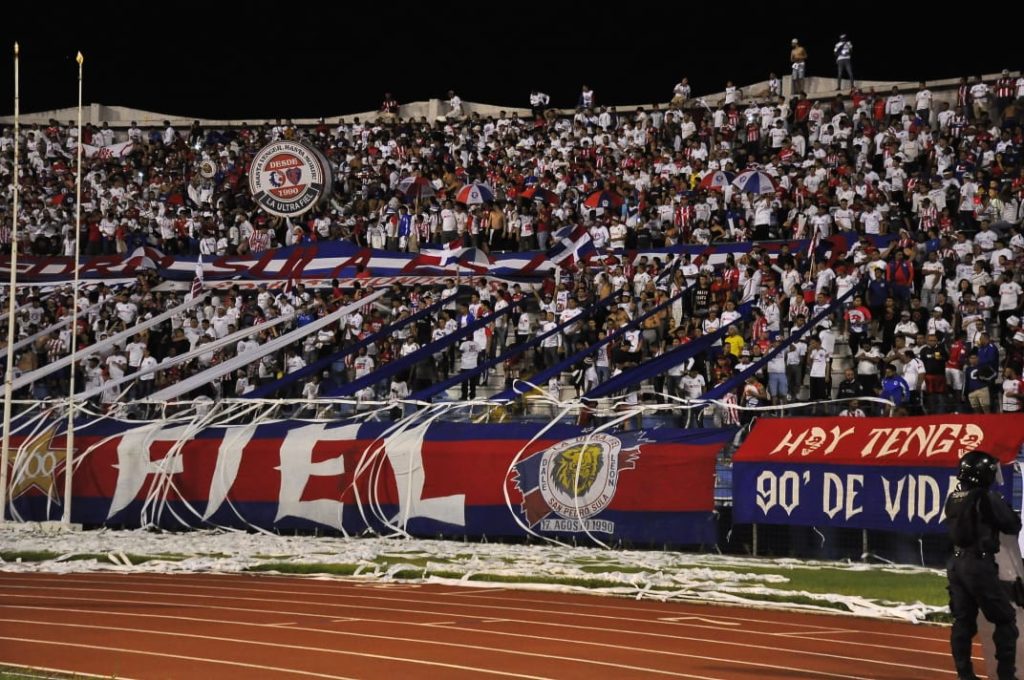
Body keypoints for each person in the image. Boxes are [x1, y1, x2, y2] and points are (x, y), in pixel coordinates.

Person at [944, 450, 1021, 680]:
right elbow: (1012, 525)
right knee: (1005, 619)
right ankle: (1006, 676)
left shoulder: (954, 497)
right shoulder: (985, 497)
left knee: (963, 621)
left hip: (956, 564)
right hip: (978, 564)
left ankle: (964, 675)